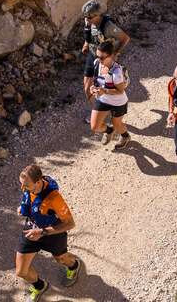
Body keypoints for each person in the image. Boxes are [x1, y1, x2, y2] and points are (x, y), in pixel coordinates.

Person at [15, 164, 82, 301]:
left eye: (26, 186)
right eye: (21, 185)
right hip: (32, 230)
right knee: (21, 272)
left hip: (52, 233)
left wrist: (43, 232)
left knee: (61, 259)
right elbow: (30, 202)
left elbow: (70, 224)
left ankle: (74, 266)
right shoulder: (30, 188)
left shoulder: (54, 198)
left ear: (38, 182)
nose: (23, 189)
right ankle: (40, 286)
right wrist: (22, 209)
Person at [81, 0, 130, 124]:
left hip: (104, 60)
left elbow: (125, 38)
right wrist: (86, 44)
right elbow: (89, 32)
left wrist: (114, 54)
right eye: (85, 16)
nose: (86, 19)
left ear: (97, 15)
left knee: (100, 88)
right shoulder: (89, 20)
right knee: (88, 88)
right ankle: (97, 110)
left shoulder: (108, 27)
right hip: (93, 56)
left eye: (89, 17)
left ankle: (103, 114)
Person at [89, 41, 132, 149]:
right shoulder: (97, 63)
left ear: (111, 56)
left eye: (102, 57)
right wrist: (93, 88)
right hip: (103, 99)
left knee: (117, 123)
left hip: (118, 102)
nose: (99, 60)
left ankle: (125, 136)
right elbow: (95, 80)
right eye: (97, 56)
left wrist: (105, 91)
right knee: (95, 126)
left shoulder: (116, 72)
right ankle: (109, 131)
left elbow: (120, 91)